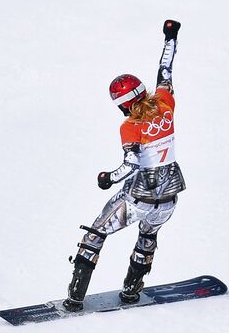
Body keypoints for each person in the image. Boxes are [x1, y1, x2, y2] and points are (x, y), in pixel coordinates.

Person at [65, 20, 185, 312]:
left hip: (140, 194)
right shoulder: (165, 103)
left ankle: (75, 299)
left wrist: (108, 178)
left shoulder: (130, 126)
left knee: (95, 234)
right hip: (169, 197)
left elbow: (131, 164)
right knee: (148, 236)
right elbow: (166, 70)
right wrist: (170, 37)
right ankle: (131, 292)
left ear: (123, 104)